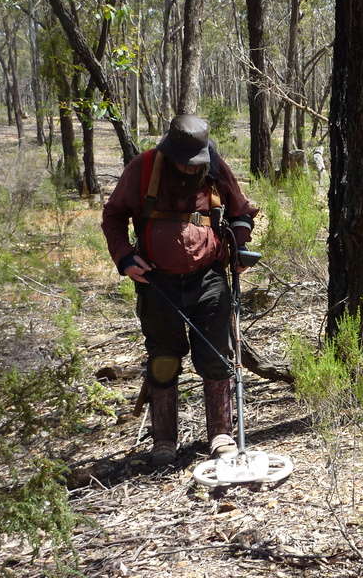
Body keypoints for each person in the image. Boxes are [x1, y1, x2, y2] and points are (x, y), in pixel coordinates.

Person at [102, 114, 258, 466]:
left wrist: (240, 246)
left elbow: (242, 213)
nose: (191, 170)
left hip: (209, 277)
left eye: (196, 164)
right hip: (157, 281)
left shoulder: (215, 166)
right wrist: (125, 258)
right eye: (185, 164)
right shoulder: (143, 168)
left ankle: (221, 434)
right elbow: (113, 215)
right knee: (163, 358)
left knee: (216, 355)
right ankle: (164, 441)